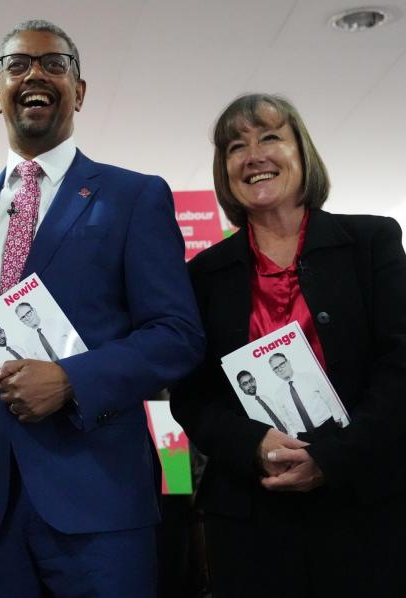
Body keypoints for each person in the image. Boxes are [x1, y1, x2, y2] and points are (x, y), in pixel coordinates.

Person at [0, 19, 204, 597]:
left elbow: (177, 334)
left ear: (79, 92)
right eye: (17, 64)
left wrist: (70, 380)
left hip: (101, 500)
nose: (35, 73)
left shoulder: (134, 196)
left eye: (55, 63)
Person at [170, 93, 406, 597]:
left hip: (363, 509)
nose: (253, 154)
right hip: (251, 520)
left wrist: (336, 456)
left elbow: (400, 365)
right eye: (236, 146)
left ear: (303, 153)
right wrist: (251, 444)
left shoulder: (372, 243)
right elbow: (191, 395)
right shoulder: (202, 276)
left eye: (270, 137)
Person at [267, 352, 347, 432]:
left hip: (328, 425)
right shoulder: (278, 394)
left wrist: (337, 417)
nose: (280, 369)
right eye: (276, 368)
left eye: (282, 364)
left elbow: (329, 397)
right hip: (305, 436)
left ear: (288, 362)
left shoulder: (311, 378)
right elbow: (286, 418)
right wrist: (295, 434)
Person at [13, 301, 85, 360]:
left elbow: (78, 342)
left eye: (28, 313)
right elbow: (39, 365)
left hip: (77, 361)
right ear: (22, 321)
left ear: (34, 310)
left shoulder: (57, 322)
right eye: (23, 317)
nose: (27, 318)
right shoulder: (29, 343)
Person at [235, 369, 296, 436]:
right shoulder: (245, 408)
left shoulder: (265, 398)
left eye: (251, 381)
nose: (250, 385)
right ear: (241, 387)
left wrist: (292, 433)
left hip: (289, 436)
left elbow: (281, 416)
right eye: (245, 384)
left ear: (254, 380)